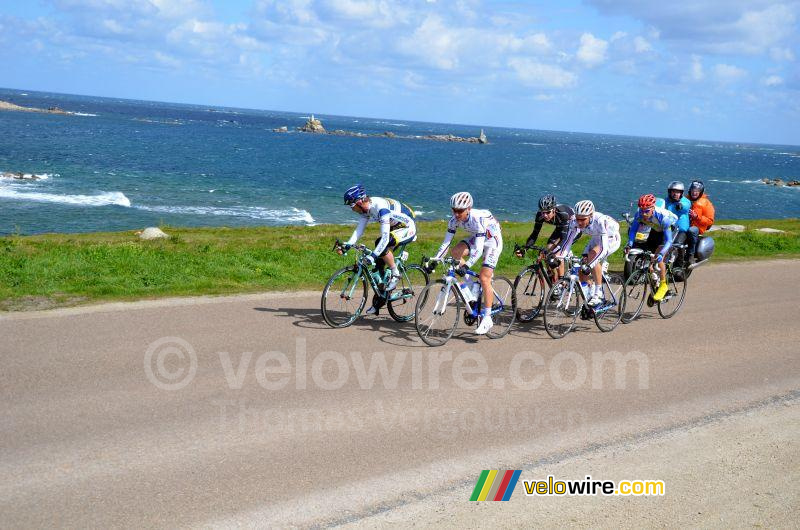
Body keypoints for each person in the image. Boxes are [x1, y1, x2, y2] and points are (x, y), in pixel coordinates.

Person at [432, 192, 503, 335]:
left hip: (492, 241)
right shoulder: (453, 220)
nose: (457, 214)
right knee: (455, 252)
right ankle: (470, 285)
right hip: (477, 237)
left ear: (468, 208)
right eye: (454, 210)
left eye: (460, 211)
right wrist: (435, 259)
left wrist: (467, 265)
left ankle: (488, 318)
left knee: (484, 278)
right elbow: (446, 243)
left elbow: (478, 248)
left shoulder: (477, 219)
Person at [340, 184, 417, 314]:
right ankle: (380, 301)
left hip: (407, 226)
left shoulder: (380, 208)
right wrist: (347, 245)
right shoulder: (365, 209)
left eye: (351, 205)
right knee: (378, 268)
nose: (351, 209)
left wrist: (373, 256)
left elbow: (385, 239)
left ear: (359, 201)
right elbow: (359, 230)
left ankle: (396, 273)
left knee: (379, 244)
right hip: (395, 226)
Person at [552, 200, 620, 307]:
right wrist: (559, 257)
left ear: (591, 215)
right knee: (581, 270)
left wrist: (590, 264)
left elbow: (603, 248)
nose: (579, 223)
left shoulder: (600, 221)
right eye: (578, 219)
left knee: (593, 258)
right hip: (596, 237)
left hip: (611, 238)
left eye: (583, 219)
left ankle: (598, 294)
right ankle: (590, 292)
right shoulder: (574, 221)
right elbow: (568, 242)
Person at [625, 194, 678, 302]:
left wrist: (661, 254)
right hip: (655, 229)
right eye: (642, 210)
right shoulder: (639, 214)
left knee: (659, 259)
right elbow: (633, 231)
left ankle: (663, 286)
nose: (644, 214)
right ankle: (655, 284)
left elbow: (668, 241)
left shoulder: (664, 218)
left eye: (647, 211)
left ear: (653, 208)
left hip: (667, 229)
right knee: (649, 258)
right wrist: (629, 244)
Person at [514, 194, 575, 281]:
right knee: (547, 251)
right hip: (560, 226)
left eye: (548, 212)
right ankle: (553, 281)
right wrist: (525, 249)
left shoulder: (562, 214)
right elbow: (534, 234)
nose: (545, 215)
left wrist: (555, 251)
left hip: (573, 227)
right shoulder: (540, 216)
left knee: (556, 253)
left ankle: (562, 282)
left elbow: (563, 238)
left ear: (554, 210)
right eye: (543, 212)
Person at [686, 180, 715, 262]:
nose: (694, 193)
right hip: (684, 225)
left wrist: (697, 217)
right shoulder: (685, 199)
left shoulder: (706, 203)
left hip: (698, 227)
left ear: (701, 192)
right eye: (693, 190)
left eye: (697, 191)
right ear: (690, 190)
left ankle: (691, 255)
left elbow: (710, 221)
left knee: (692, 230)